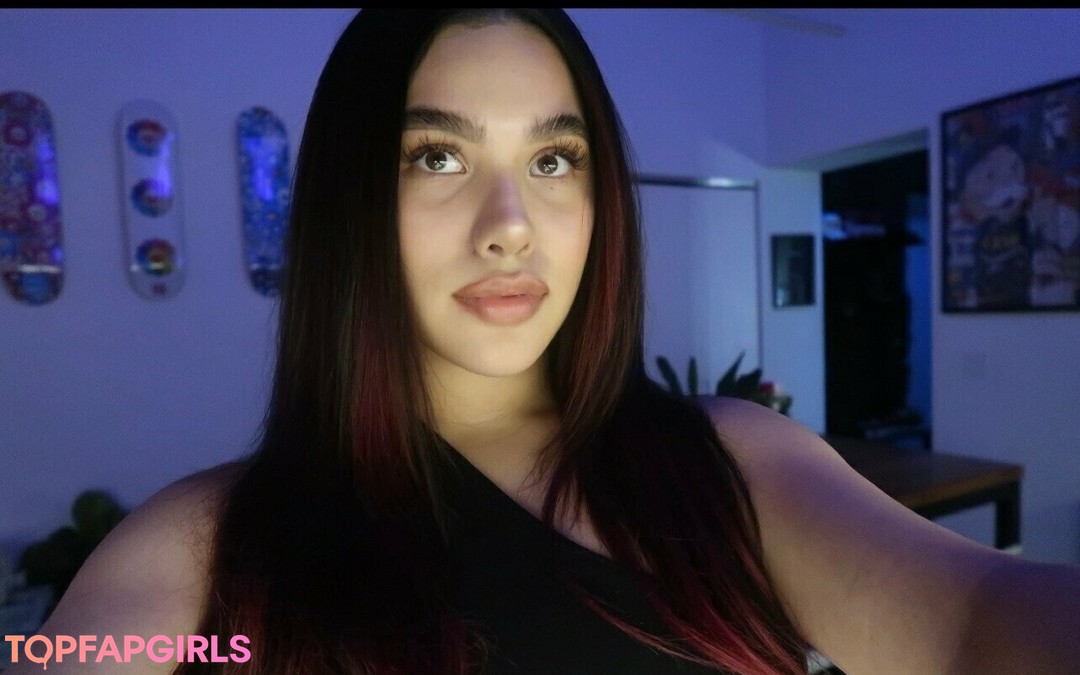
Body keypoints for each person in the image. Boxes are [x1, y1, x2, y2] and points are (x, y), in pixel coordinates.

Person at [13, 8, 1080, 674]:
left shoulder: (732, 464)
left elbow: (972, 621)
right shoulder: (201, 551)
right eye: (437, 157)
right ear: (347, 200)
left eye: (554, 161)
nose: (511, 225)